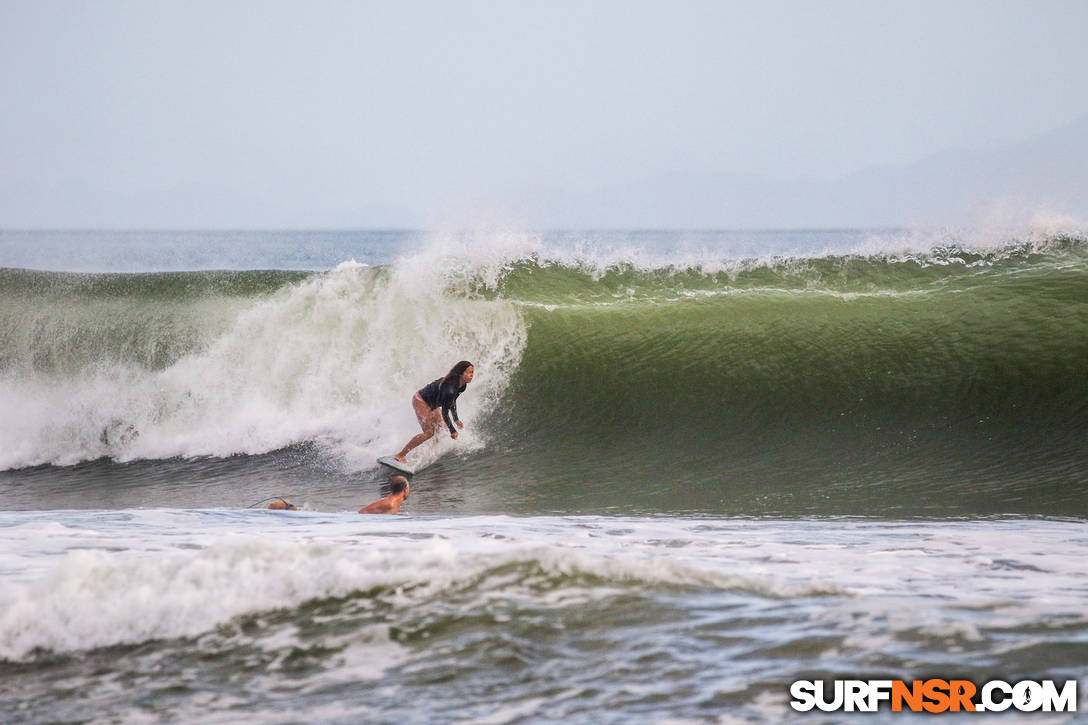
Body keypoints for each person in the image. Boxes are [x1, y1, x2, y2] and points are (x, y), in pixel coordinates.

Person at [393, 361, 474, 464]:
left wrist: (456, 419)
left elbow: (452, 402)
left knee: (442, 430)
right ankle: (400, 455)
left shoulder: (462, 385)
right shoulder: (450, 387)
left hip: (433, 404)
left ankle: (424, 453)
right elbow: (445, 412)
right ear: (461, 374)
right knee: (429, 432)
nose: (471, 375)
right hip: (421, 401)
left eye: (472, 372)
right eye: (469, 372)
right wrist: (453, 430)